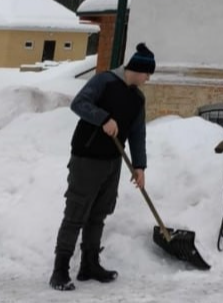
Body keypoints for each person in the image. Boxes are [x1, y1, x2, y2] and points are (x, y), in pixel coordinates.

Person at [48, 43, 156, 291]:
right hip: (86, 158)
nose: (148, 79)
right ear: (137, 69)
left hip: (112, 162)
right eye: (147, 74)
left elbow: (137, 133)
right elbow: (79, 103)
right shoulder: (104, 81)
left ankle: (89, 264)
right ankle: (60, 270)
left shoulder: (137, 98)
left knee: (99, 214)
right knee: (76, 213)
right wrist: (103, 118)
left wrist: (139, 166)